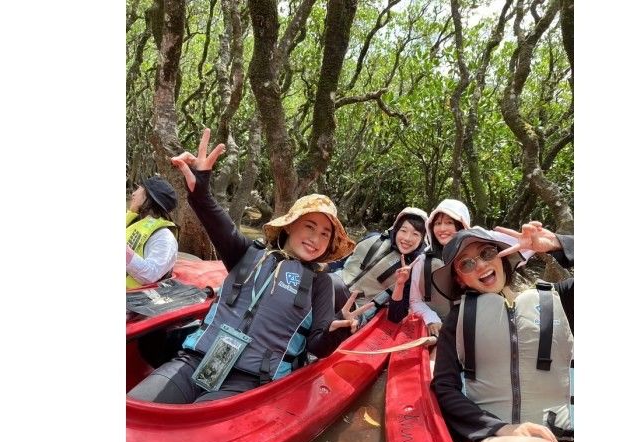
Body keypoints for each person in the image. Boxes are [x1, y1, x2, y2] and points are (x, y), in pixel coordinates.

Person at [128, 128, 371, 403]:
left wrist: (335, 334)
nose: (316, 239)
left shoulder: (321, 282)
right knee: (133, 413)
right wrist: (200, 189)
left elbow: (317, 344)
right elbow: (215, 220)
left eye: (325, 234)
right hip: (196, 360)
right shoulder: (246, 253)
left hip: (251, 381)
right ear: (290, 226)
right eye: (310, 227)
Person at [429, 221, 573, 442]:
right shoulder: (458, 320)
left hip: (558, 440)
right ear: (459, 278)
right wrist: (503, 429)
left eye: (486, 252)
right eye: (467, 263)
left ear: (502, 256)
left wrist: (559, 246)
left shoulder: (560, 300)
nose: (480, 264)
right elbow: (445, 388)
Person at [332, 207, 428, 322]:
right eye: (403, 231)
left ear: (422, 240)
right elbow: (341, 262)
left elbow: (395, 317)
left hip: (356, 313)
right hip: (332, 289)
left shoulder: (413, 269)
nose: (407, 238)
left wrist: (400, 284)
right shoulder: (373, 238)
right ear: (396, 229)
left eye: (415, 234)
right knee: (329, 282)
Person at [388, 198, 471, 333]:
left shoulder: (476, 256)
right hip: (439, 327)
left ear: (461, 224)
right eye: (437, 223)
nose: (442, 228)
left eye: (449, 222)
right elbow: (415, 300)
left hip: (470, 326)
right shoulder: (423, 261)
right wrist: (431, 318)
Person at [126, 176, 179, 288]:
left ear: (149, 197)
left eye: (139, 189)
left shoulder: (164, 236)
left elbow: (151, 274)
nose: (133, 194)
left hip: (133, 300)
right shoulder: (135, 221)